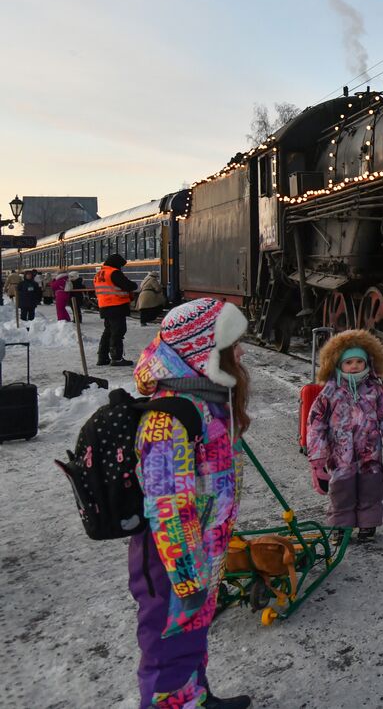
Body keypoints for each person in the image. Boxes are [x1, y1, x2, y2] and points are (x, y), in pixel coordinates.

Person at [129, 298, 254, 709]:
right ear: (205, 351)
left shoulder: (203, 401)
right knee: (168, 649)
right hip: (173, 562)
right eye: (233, 345)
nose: (241, 353)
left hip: (199, 554)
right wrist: (188, 577)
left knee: (190, 638)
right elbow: (168, 509)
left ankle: (195, 697)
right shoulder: (170, 418)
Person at [305, 330, 383, 543]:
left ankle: (368, 523)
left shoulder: (374, 389)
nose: (354, 366)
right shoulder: (329, 392)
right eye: (349, 362)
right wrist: (317, 459)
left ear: (368, 363)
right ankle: (341, 525)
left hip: (370, 452)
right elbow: (316, 425)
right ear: (338, 364)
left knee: (371, 487)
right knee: (341, 490)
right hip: (340, 454)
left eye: (359, 361)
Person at [95, 253, 139, 366]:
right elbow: (128, 285)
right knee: (118, 332)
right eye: (120, 265)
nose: (120, 268)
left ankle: (102, 357)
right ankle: (117, 358)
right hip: (116, 306)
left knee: (108, 332)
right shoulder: (114, 272)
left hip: (104, 307)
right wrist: (134, 285)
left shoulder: (99, 273)